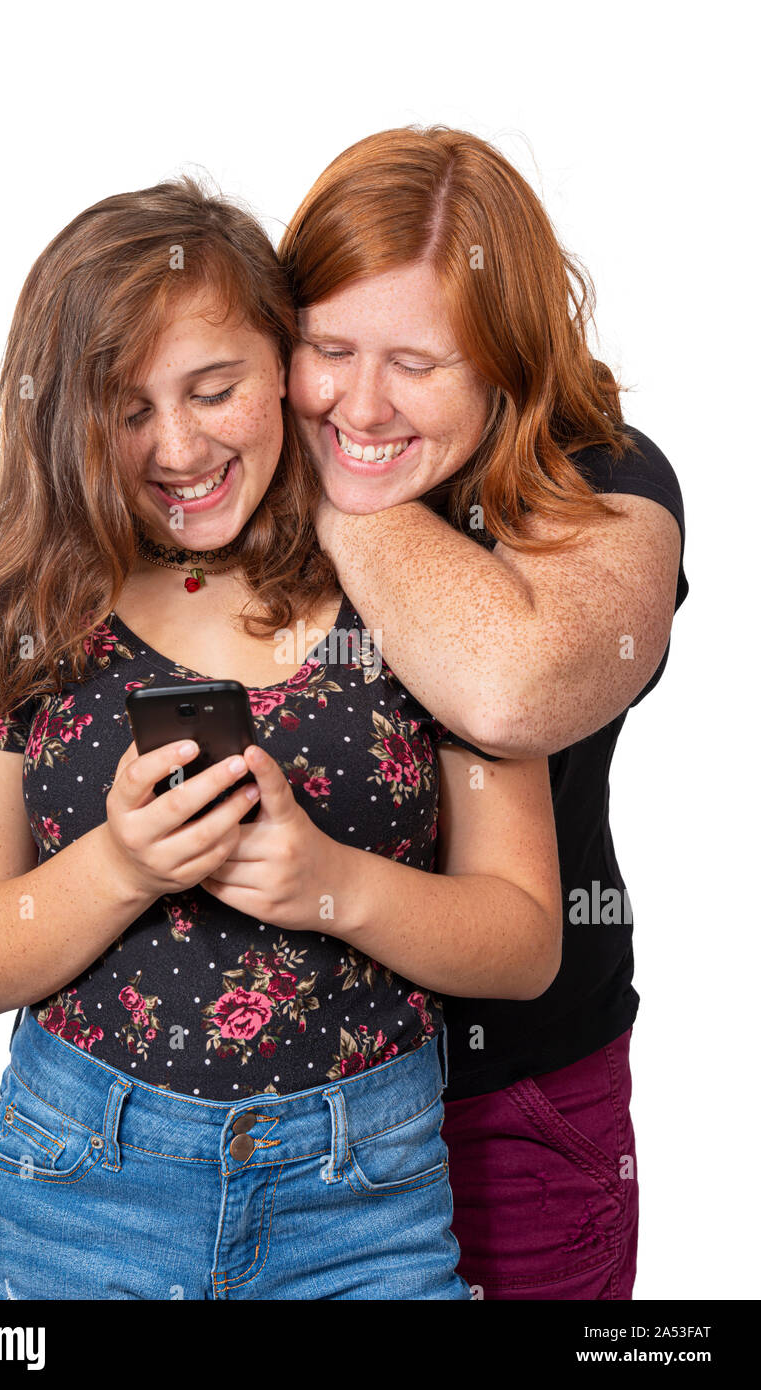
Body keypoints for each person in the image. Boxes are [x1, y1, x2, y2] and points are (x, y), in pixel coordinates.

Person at [0, 176, 562, 1300]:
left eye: (215, 389)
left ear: (287, 368)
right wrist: (119, 866)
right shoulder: (20, 615)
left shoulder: (422, 599)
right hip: (78, 1194)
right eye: (127, 406)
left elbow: (526, 937)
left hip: (366, 1201)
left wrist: (330, 885)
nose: (178, 445)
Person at [279, 125, 688, 1299]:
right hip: (266, 1112)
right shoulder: (236, 464)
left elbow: (508, 688)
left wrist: (340, 479)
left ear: (506, 361)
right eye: (327, 349)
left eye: (417, 363)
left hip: (510, 1105)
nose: (361, 398)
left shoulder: (606, 483)